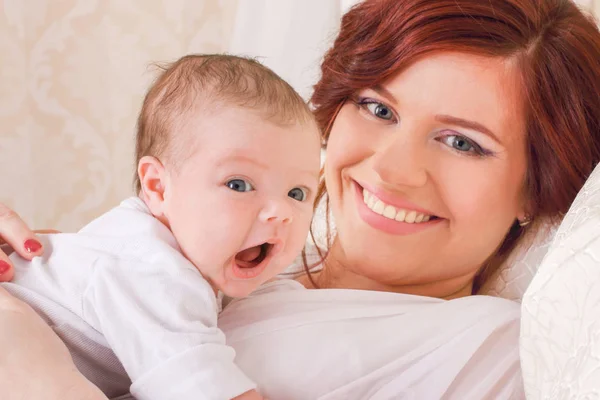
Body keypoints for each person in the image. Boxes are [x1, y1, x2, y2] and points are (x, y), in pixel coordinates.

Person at [1, 0, 600, 398]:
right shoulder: (239, 254)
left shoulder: (489, 348)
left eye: (461, 142)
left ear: (536, 187)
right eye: (377, 108)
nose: (392, 168)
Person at [0, 54, 321, 400]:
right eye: (239, 184)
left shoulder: (163, 253)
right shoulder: (155, 269)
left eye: (297, 193)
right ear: (158, 187)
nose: (280, 211)